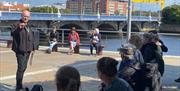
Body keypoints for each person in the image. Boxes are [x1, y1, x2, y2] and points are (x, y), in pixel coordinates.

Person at [11, 10, 36, 91]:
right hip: (20, 50)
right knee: (21, 67)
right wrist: (19, 28)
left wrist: (33, 47)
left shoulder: (29, 25)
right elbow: (12, 33)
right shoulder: (16, 24)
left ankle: (19, 83)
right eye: (24, 16)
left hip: (28, 50)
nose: (26, 18)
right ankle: (18, 87)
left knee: (24, 67)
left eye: (27, 16)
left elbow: (32, 37)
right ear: (21, 16)